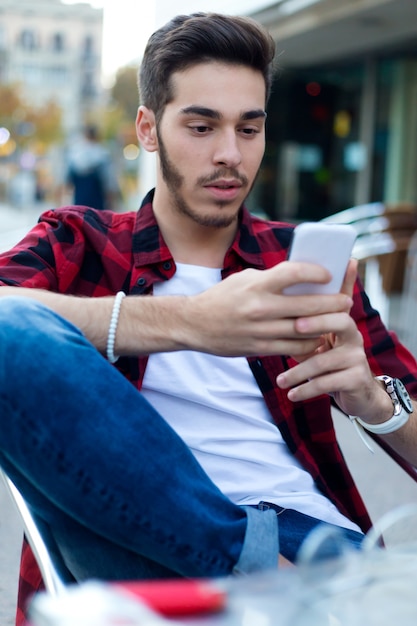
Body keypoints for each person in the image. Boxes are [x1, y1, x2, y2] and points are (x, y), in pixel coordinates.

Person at [0, 11, 416, 625]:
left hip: (320, 547)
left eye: (250, 130)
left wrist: (373, 402)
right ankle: (259, 576)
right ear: (148, 129)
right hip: (141, 546)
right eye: (201, 126)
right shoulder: (79, 242)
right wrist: (190, 321)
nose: (230, 155)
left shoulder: (296, 261)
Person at [64, 124, 119, 211]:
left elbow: (67, 182)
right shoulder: (102, 155)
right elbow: (108, 184)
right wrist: (112, 205)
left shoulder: (74, 155)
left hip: (79, 203)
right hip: (98, 204)